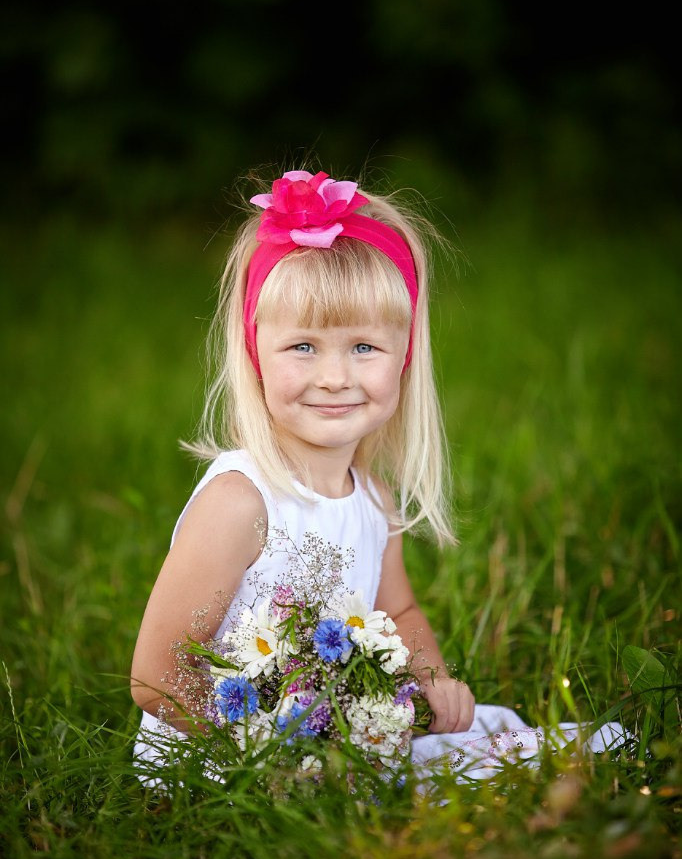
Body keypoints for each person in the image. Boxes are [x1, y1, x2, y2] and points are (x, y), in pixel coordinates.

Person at [130, 168, 624, 786]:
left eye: (364, 347)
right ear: (257, 354)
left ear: (404, 358)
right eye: (303, 347)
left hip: (329, 743)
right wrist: (271, 755)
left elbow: (401, 607)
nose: (336, 376)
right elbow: (158, 673)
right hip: (221, 761)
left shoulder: (372, 497)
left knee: (520, 745)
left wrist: (432, 680)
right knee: (489, 774)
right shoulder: (241, 502)